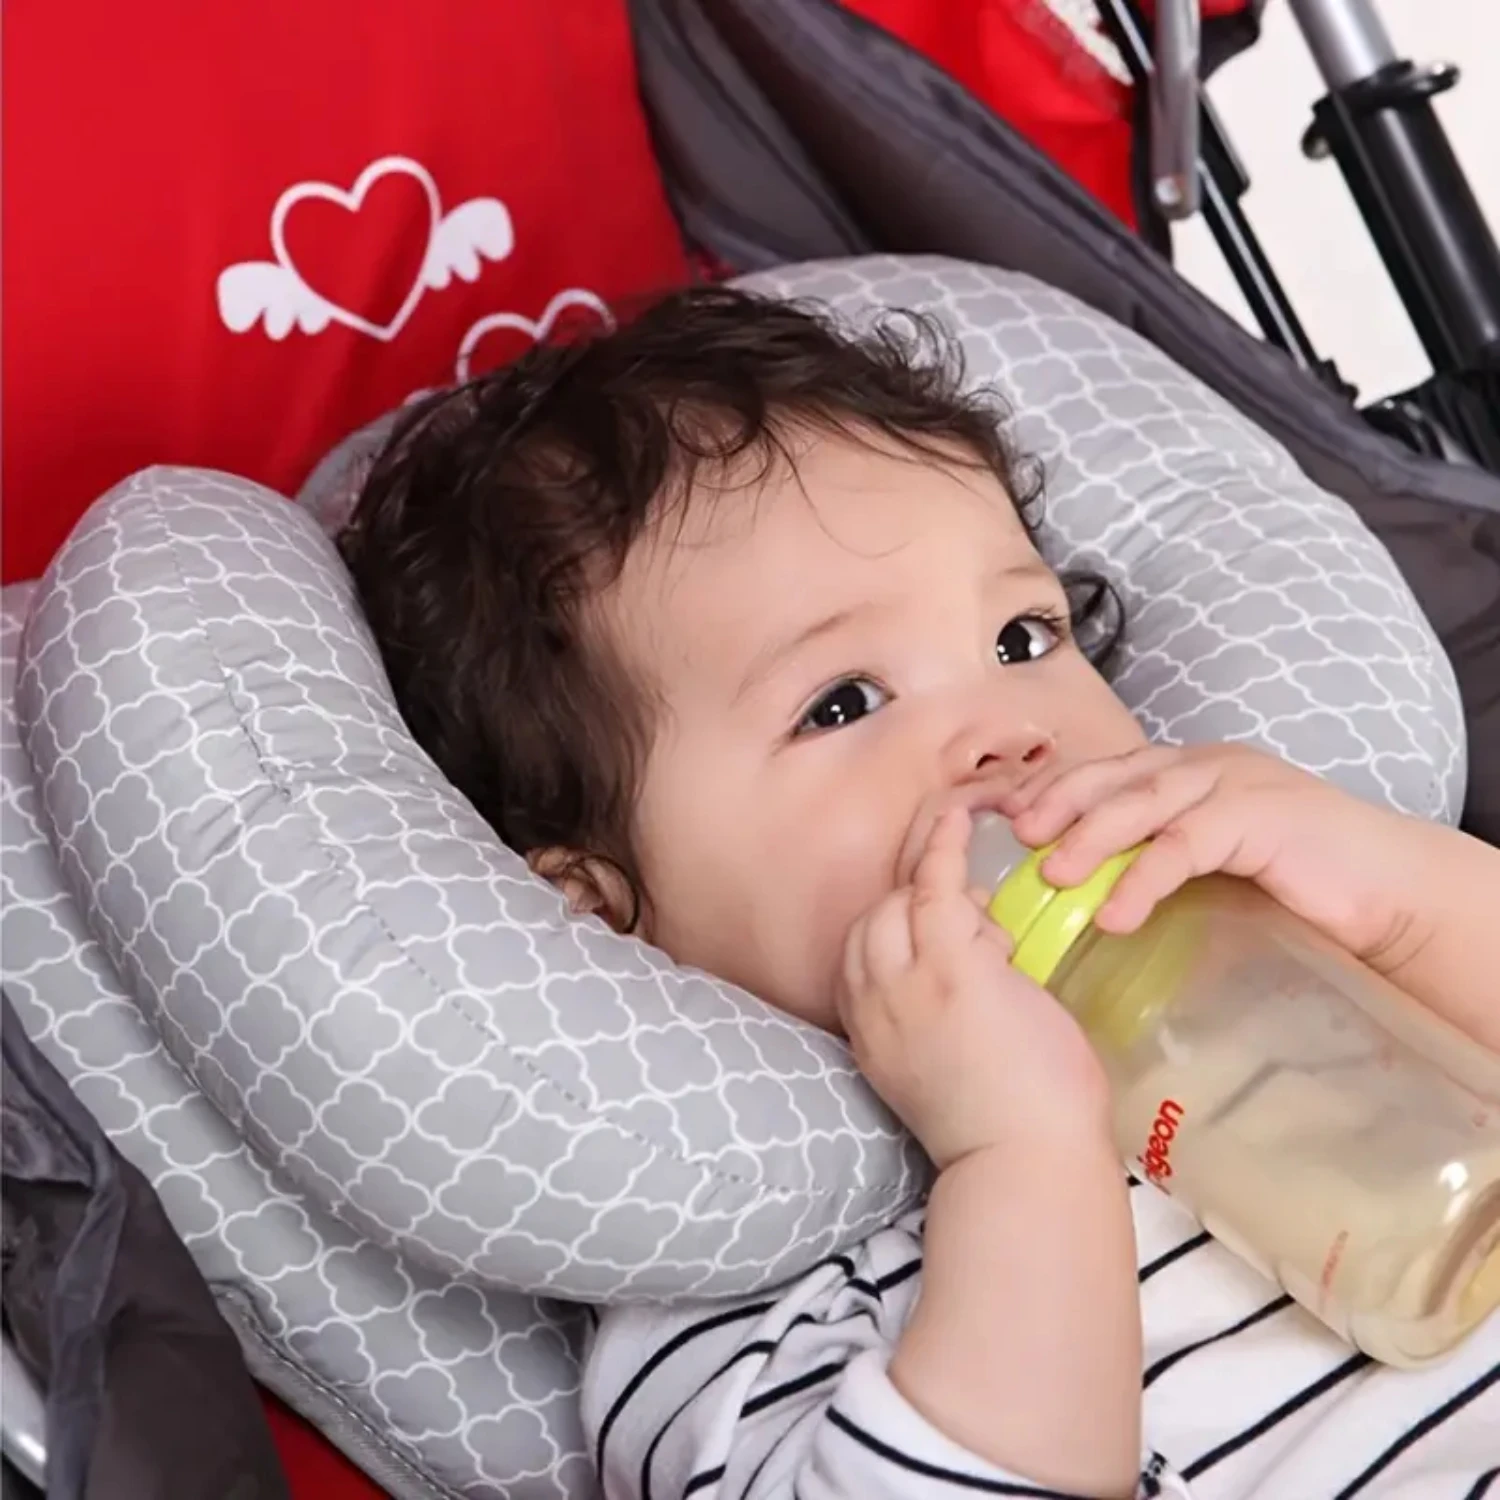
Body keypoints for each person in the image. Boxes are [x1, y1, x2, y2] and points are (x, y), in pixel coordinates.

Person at [340, 287, 1500, 1500]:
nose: (1007, 729)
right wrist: (1020, 1154)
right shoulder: (738, 1293)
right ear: (605, 907)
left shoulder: (1272, 950)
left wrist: (1401, 894)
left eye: (1022, 638)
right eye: (843, 702)